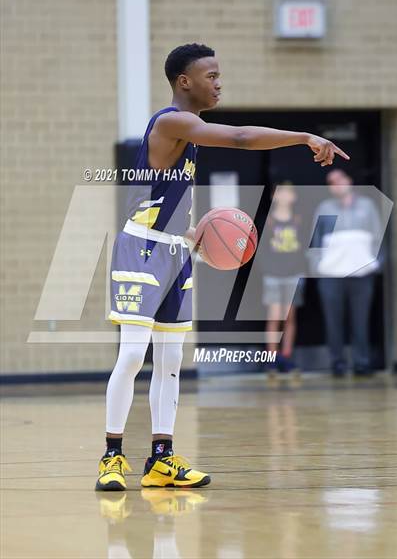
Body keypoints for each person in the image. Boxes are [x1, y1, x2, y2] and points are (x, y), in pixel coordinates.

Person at [96, 43, 350, 491]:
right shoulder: (171, 121)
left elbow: (167, 195)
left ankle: (161, 459)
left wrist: (191, 234)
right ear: (184, 82)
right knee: (135, 353)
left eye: (219, 75)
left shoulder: (191, 134)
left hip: (175, 251)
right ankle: (112, 456)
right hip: (141, 249)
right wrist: (304, 137)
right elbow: (240, 138)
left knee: (171, 360)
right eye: (210, 75)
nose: (219, 82)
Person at [310, 169, 382, 377]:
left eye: (340, 179)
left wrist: (376, 264)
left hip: (362, 275)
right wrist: (318, 267)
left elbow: (377, 238)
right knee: (334, 322)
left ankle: (362, 362)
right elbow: (316, 240)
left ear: (349, 180)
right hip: (331, 276)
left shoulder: (367, 207)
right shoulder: (324, 208)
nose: (337, 184)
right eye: (331, 182)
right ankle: (337, 363)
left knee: (361, 321)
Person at [261, 182, 306, 376]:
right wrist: (267, 269)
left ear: (293, 196)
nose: (285, 195)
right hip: (273, 275)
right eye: (281, 192)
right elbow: (260, 250)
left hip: (293, 275)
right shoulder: (269, 221)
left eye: (288, 192)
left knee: (289, 318)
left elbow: (304, 249)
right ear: (273, 196)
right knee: (274, 316)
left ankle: (286, 357)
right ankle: (271, 358)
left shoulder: (298, 220)